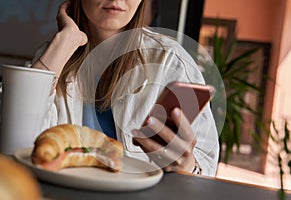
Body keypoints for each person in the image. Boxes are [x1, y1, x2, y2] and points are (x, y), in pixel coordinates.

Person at [31, 0, 219, 176]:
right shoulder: (54, 55)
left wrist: (187, 167)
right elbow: (15, 143)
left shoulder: (171, 61)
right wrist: (65, 41)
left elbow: (207, 171)